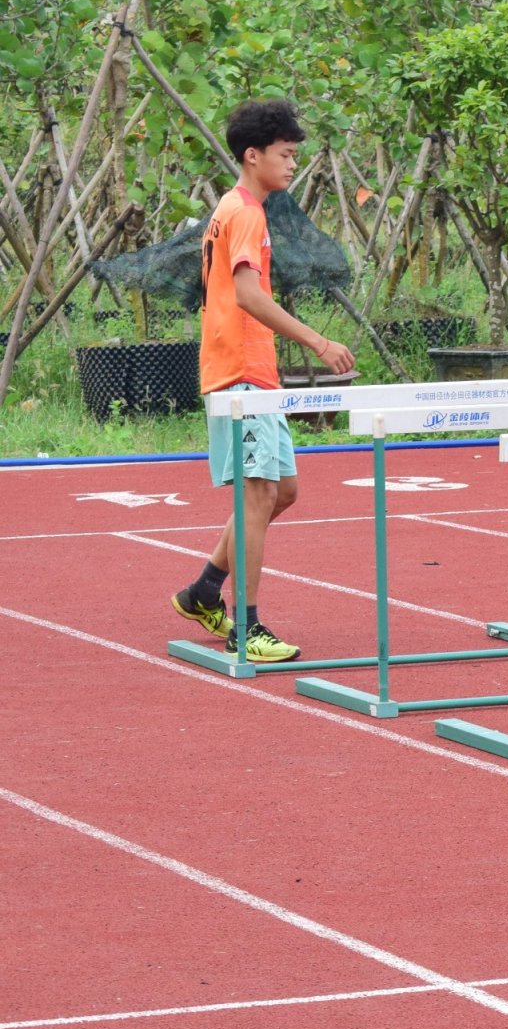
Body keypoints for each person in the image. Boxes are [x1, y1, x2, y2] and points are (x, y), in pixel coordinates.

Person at [172, 100, 356, 663]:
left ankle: (204, 590)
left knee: (282, 492)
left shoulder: (235, 207)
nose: (293, 164)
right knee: (257, 493)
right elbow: (248, 294)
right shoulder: (245, 211)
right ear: (253, 156)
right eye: (286, 154)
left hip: (254, 371)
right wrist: (319, 342)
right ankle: (246, 627)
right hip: (239, 371)